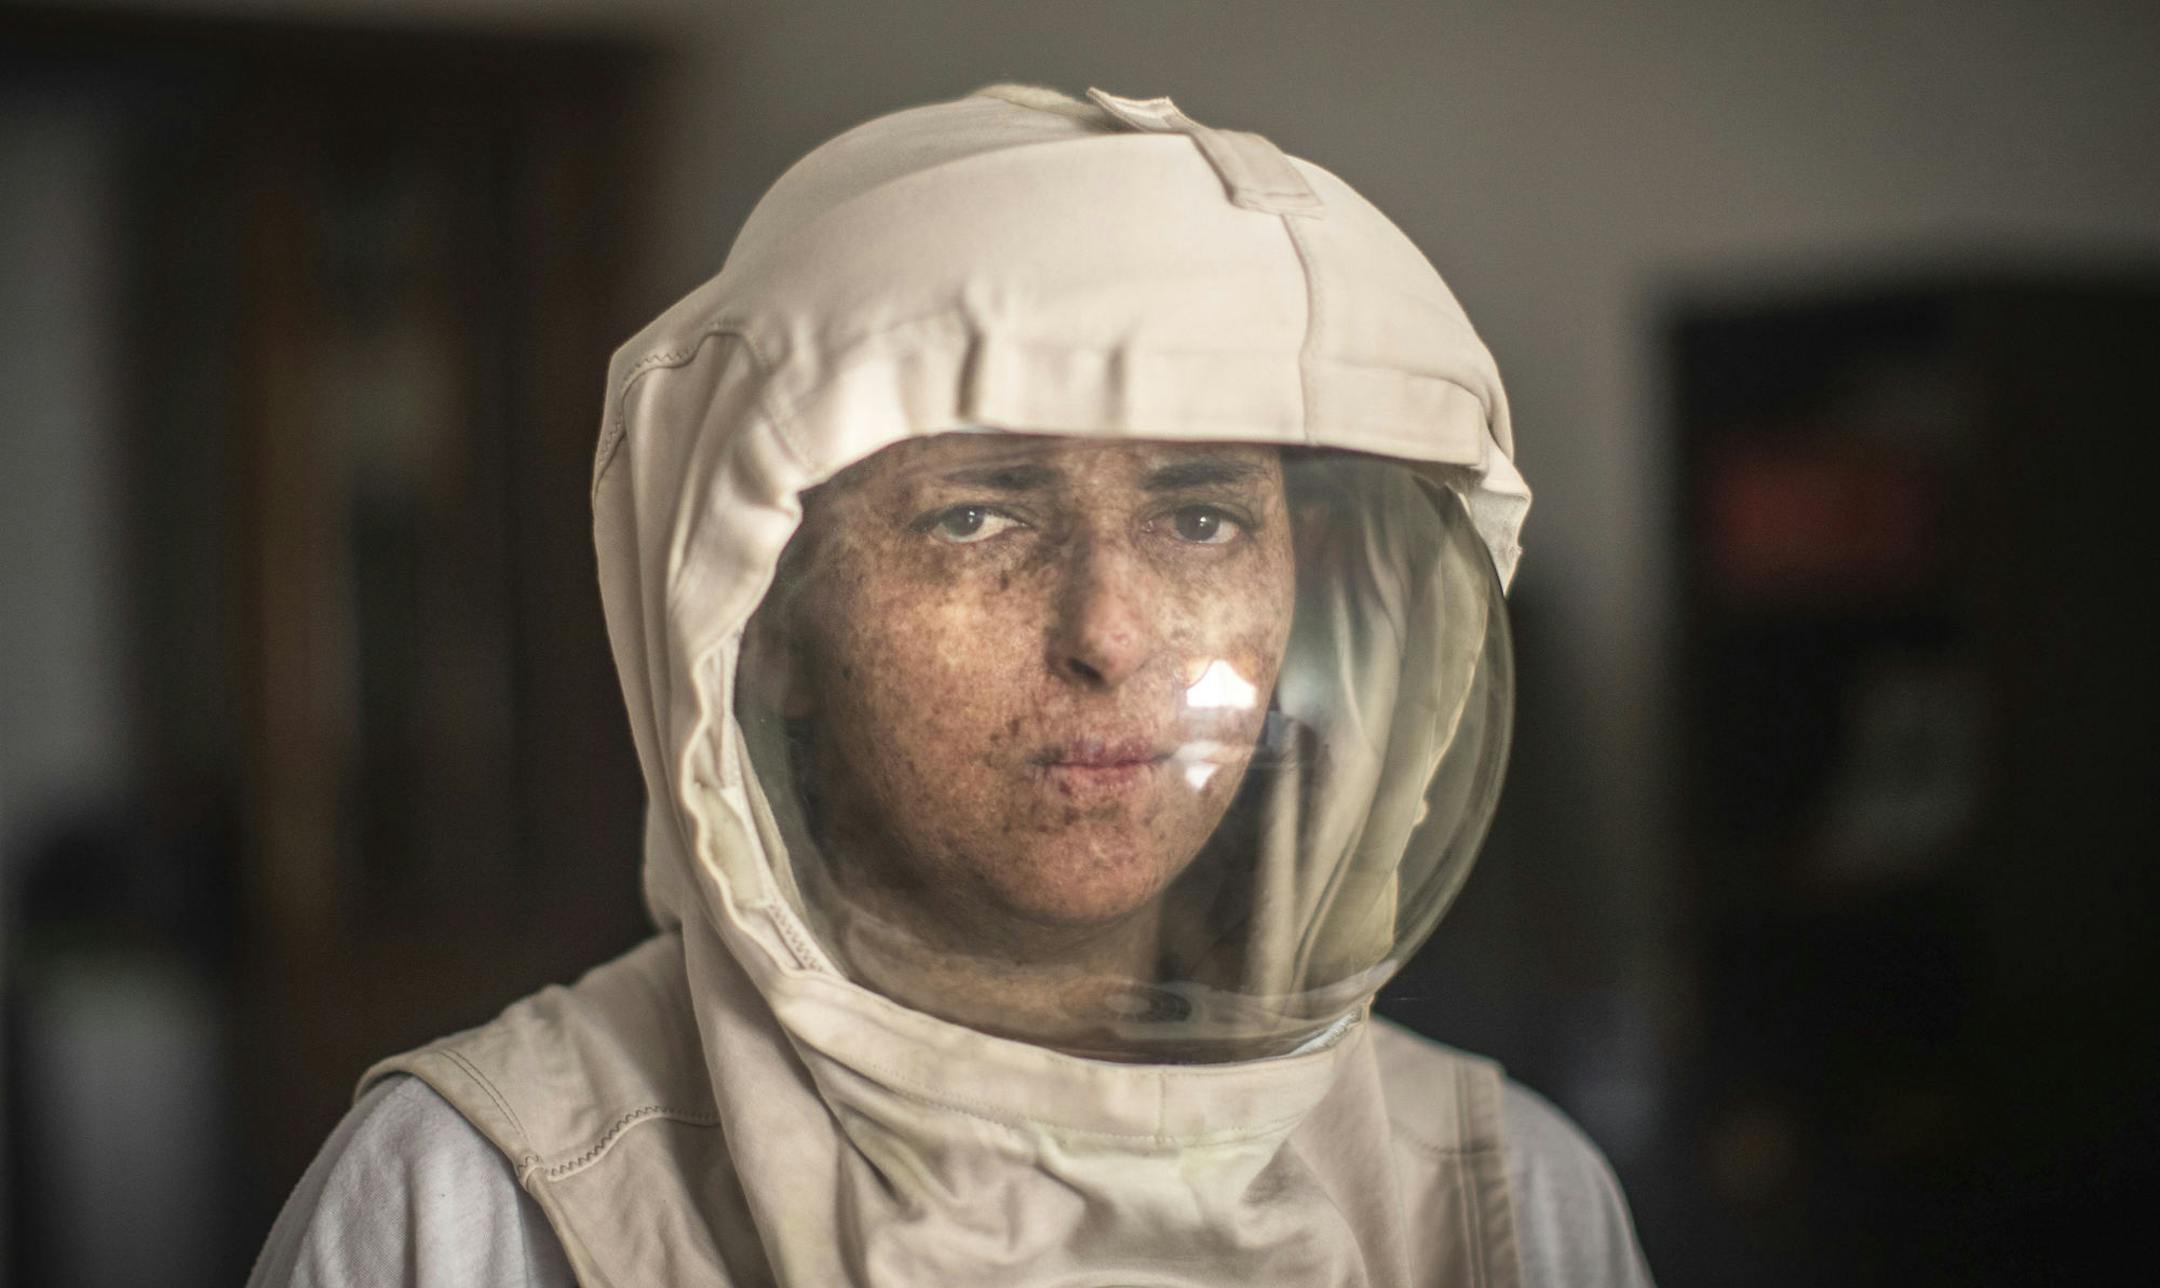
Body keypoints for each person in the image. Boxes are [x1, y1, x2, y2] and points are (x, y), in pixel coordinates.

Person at [249, 84, 1654, 1287]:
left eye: (1200, 517)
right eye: (975, 517)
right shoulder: (472, 1205)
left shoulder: (1504, 1200)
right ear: (765, 622)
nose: (1111, 635)